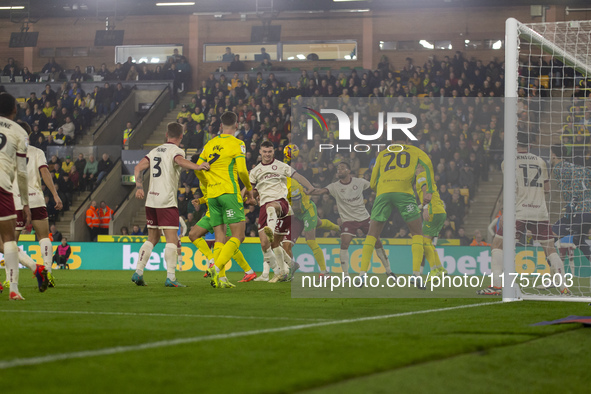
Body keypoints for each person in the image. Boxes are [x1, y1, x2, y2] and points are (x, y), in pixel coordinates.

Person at [478, 132, 569, 295]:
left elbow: (510, 189)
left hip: (518, 211)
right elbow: (547, 190)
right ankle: (563, 286)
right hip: (540, 211)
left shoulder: (508, 162)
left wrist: (505, 211)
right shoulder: (541, 162)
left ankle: (497, 285)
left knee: (498, 245)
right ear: (530, 145)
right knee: (550, 248)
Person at [131, 122, 209, 287]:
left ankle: (138, 271)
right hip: (166, 201)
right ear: (181, 136)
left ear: (166, 135)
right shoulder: (176, 150)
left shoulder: (154, 151)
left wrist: (139, 188)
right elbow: (180, 161)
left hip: (151, 200)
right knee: (172, 239)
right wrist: (198, 167)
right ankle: (171, 277)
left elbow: (138, 168)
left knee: (152, 237)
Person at [358, 131, 435, 288]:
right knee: (417, 234)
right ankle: (416, 275)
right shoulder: (415, 151)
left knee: (372, 235)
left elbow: (372, 181)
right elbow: (428, 166)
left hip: (383, 193)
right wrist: (430, 191)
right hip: (404, 193)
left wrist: (380, 188)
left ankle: (361, 275)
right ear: (406, 139)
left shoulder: (383, 153)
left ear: (392, 140)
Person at [196, 111, 254, 288]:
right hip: (229, 192)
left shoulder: (210, 143)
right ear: (236, 126)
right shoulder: (238, 143)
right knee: (238, 236)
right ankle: (217, 266)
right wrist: (249, 190)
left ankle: (220, 278)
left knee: (220, 237)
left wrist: (208, 184)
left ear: (221, 126)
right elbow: (243, 171)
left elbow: (198, 169)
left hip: (212, 196)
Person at [311, 161, 395, 280]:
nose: (339, 170)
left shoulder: (359, 182)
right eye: (338, 169)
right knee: (344, 243)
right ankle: (346, 275)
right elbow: (320, 191)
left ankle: (388, 270)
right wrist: (309, 190)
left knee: (377, 242)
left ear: (349, 171)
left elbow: (373, 185)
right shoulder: (334, 186)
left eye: (342, 168)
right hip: (348, 220)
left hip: (364, 218)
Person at [249, 141, 314, 283]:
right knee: (268, 245)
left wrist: (310, 186)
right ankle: (287, 267)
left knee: (271, 206)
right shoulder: (255, 172)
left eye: (270, 152)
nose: (267, 154)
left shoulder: (281, 166)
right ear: (260, 152)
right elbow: (250, 190)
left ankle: (270, 230)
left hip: (281, 204)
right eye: (265, 151)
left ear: (273, 152)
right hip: (263, 207)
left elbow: (298, 176)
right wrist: (250, 198)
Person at [0, 93, 32, 300]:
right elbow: (21, 172)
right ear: (15, 110)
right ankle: (13, 289)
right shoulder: (21, 132)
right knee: (9, 239)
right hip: (2, 185)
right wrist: (26, 204)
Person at [550, 144, 591, 263]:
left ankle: (556, 277)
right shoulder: (578, 167)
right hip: (587, 210)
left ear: (553, 155)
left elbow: (576, 183)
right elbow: (586, 173)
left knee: (550, 238)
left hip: (579, 212)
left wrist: (572, 202)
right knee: (578, 239)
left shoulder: (558, 168)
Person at [415, 166, 448, 281]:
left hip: (432, 211)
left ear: (420, 168)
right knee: (428, 242)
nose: (415, 170)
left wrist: (425, 207)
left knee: (424, 242)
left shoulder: (420, 177)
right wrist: (420, 206)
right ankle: (440, 269)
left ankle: (434, 271)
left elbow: (426, 191)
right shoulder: (430, 179)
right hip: (441, 212)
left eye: (416, 168)